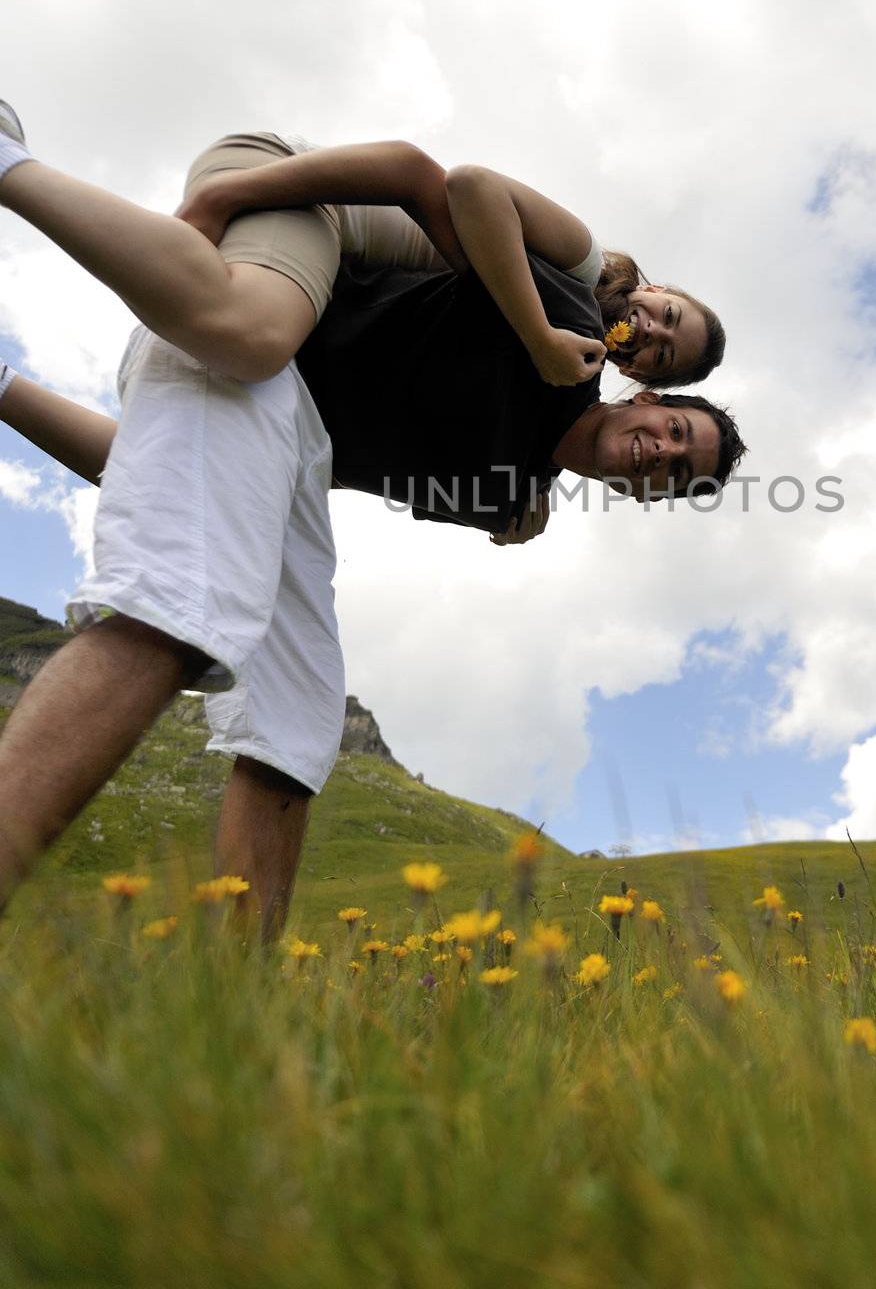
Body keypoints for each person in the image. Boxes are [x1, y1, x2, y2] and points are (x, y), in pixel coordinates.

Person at [0, 125, 746, 938]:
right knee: (184, 594)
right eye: (675, 432)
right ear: (644, 401)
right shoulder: (565, 306)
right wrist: (535, 342)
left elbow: (283, 472)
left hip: (279, 407)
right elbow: (431, 178)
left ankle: (231, 1013)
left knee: (299, 721)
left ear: (646, 497)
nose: (660, 454)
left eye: (675, 474)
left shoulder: (499, 497)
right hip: (282, 231)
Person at [0, 108, 726, 400]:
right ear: (659, 288)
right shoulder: (577, 266)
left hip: (308, 248)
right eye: (668, 314)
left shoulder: (562, 355)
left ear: (638, 374)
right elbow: (444, 178)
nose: (652, 329)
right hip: (290, 188)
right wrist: (222, 199)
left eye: (660, 350)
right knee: (254, 340)